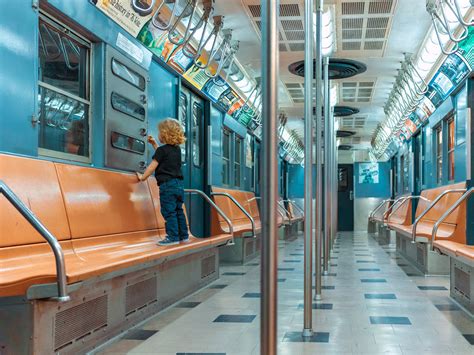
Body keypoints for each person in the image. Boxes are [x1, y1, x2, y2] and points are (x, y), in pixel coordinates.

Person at [137, 118, 189, 246]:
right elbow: (164, 156)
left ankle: (172, 237)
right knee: (178, 210)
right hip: (178, 185)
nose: (158, 134)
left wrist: (142, 177)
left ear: (165, 134)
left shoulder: (162, 151)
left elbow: (153, 166)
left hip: (167, 186)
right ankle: (183, 235)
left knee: (168, 211)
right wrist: (154, 144)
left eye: (160, 132)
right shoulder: (176, 150)